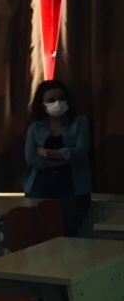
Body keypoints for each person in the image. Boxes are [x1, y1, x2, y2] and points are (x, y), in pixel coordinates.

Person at [24, 79, 92, 236]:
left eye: (61, 99)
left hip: (73, 187)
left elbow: (80, 152)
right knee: (39, 233)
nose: (57, 103)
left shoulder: (80, 123)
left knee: (66, 232)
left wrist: (48, 153)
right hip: (40, 186)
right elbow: (31, 158)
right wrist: (64, 158)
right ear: (43, 104)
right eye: (51, 100)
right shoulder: (35, 128)